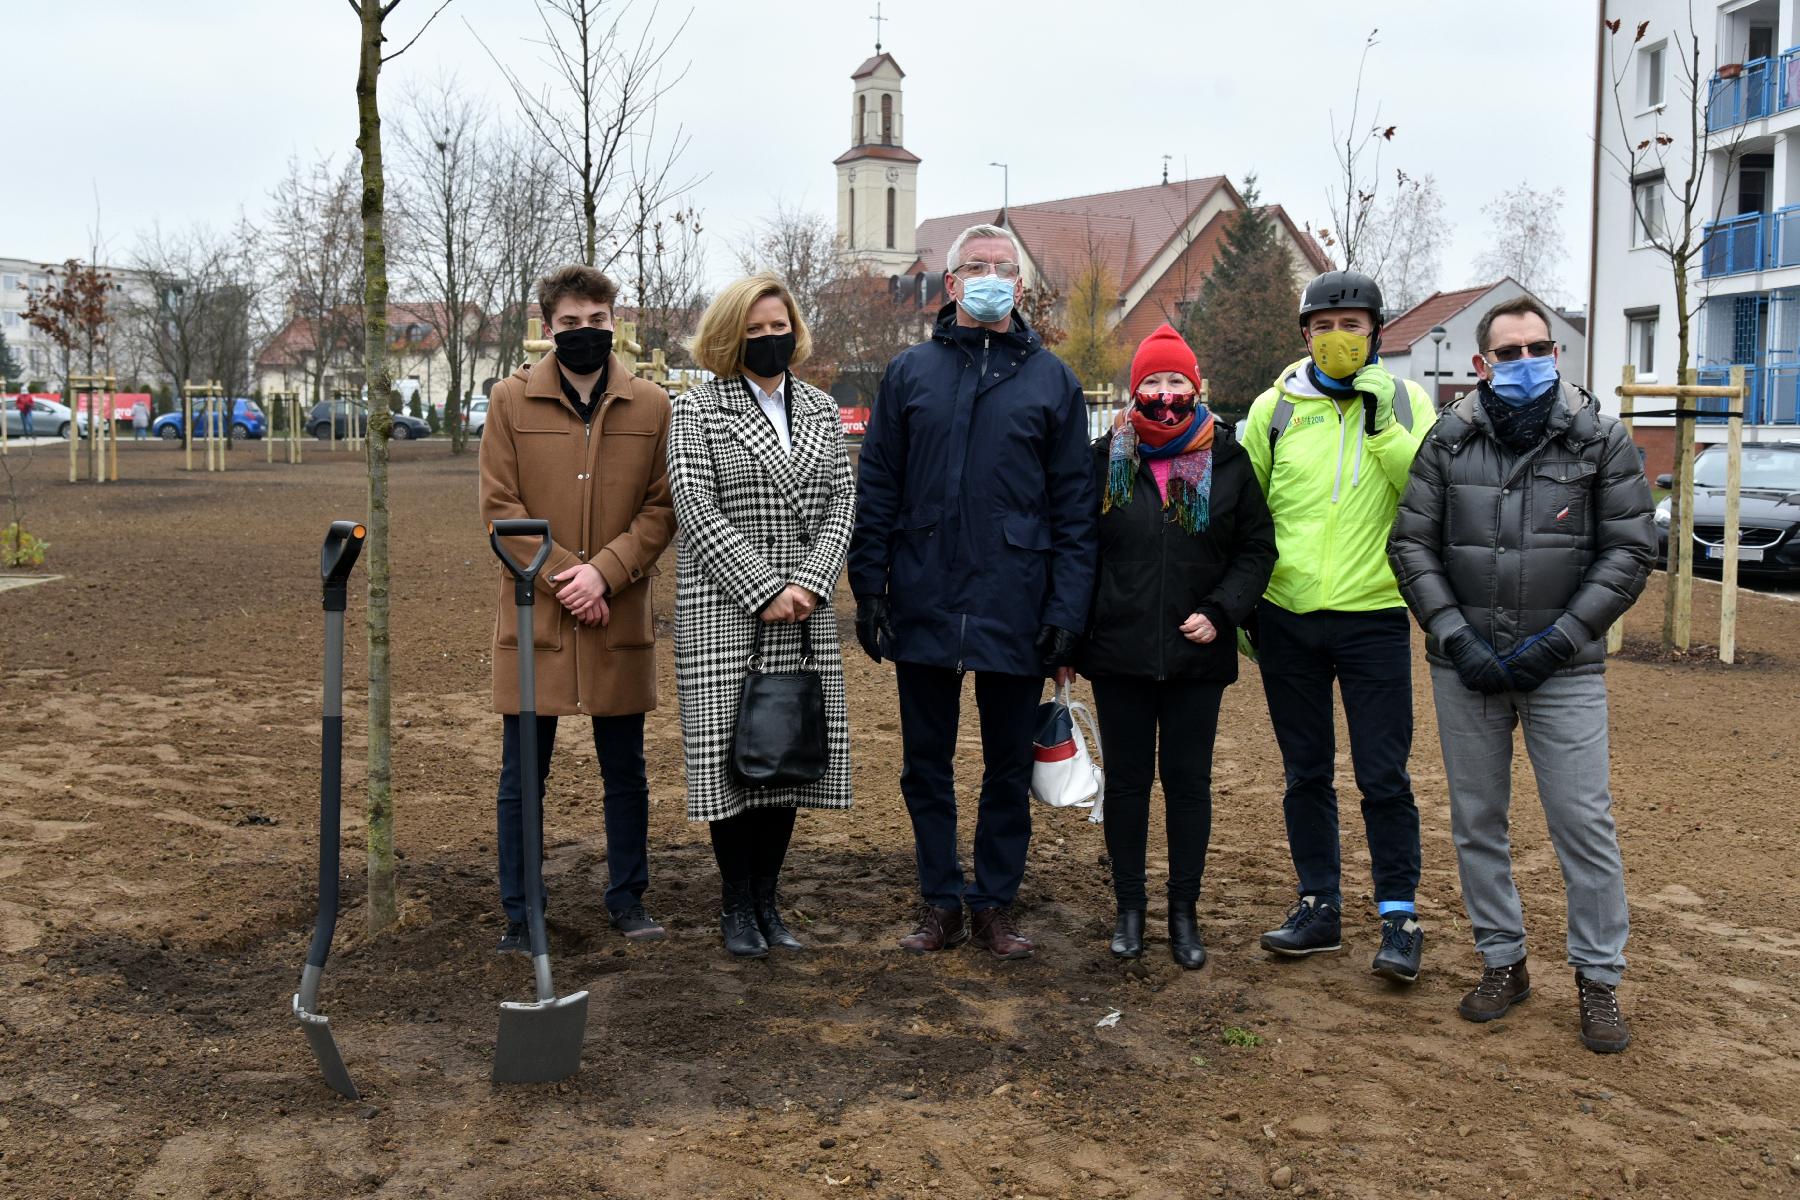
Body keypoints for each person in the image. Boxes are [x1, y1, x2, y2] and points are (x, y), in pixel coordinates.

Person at [1389, 295, 1653, 1053]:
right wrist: (1451, 633)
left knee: (1584, 825)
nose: (1526, 363)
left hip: (1564, 671)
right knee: (1478, 822)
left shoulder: (1600, 439)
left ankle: (1599, 978)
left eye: (1540, 348)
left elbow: (1628, 553)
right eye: (1509, 353)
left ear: (1557, 356)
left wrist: (1563, 639)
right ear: (1482, 364)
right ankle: (1503, 960)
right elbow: (1412, 546)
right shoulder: (1448, 440)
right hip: (1464, 668)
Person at [849, 223, 1097, 960]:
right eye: (976, 267)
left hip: (1014, 602)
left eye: (1005, 268)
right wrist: (871, 587)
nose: (992, 277)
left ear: (1019, 287)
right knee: (924, 763)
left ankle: (993, 902)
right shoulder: (909, 375)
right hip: (923, 596)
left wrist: (1065, 616)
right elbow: (879, 486)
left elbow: (1074, 512)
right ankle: (940, 900)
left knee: (1005, 765)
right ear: (950, 284)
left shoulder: (1053, 382)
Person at [1242, 269, 1434, 983]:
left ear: (1376, 332)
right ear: (1304, 334)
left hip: (1374, 616)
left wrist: (1383, 421)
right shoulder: (1275, 407)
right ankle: (1318, 904)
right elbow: (1250, 511)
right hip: (1288, 617)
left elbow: (1424, 491)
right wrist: (1246, 606)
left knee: (1384, 774)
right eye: (1323, 327)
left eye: (1351, 326)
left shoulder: (1409, 402)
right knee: (1305, 772)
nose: (1337, 338)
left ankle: (1399, 916)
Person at [478, 264, 676, 952]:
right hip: (538, 614)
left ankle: (628, 898)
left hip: (617, 615)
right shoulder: (508, 402)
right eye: (571, 324)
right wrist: (571, 578)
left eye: (598, 321)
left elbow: (660, 509)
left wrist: (607, 575)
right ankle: (520, 914)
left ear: (613, 322)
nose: (586, 334)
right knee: (521, 776)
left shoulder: (652, 406)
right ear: (547, 328)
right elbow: (501, 510)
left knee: (625, 770)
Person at [1066, 324, 1276, 967]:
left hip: (1196, 654)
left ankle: (1184, 912)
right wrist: (1073, 635)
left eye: (1175, 381)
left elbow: (1256, 549)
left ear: (1195, 386)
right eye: (1152, 382)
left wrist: (1222, 611)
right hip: (1119, 651)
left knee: (1187, 785)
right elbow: (1079, 552)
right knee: (1127, 784)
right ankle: (1129, 908)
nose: (1164, 394)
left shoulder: (1228, 461)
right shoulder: (1105, 460)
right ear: (1136, 390)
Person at [667, 274, 855, 958]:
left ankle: (771, 905)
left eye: (780, 328)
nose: (771, 339)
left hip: (802, 614)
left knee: (785, 762)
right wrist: (765, 588)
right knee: (733, 769)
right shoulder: (695, 411)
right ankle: (736, 906)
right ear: (730, 336)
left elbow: (843, 502)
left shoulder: (821, 409)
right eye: (756, 330)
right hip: (726, 611)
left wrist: (807, 585)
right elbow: (695, 508)